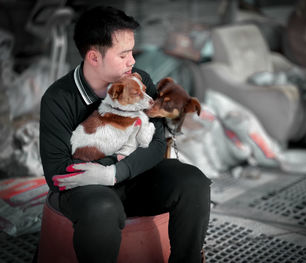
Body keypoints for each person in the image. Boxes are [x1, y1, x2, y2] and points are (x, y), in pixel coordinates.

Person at [39, 5, 211, 263]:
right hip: (88, 188)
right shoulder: (58, 98)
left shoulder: (139, 80)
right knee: (102, 209)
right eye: (123, 54)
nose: (132, 60)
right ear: (94, 57)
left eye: (132, 51)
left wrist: (116, 172)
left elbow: (155, 144)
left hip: (134, 176)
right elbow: (58, 172)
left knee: (193, 182)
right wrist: (109, 169)